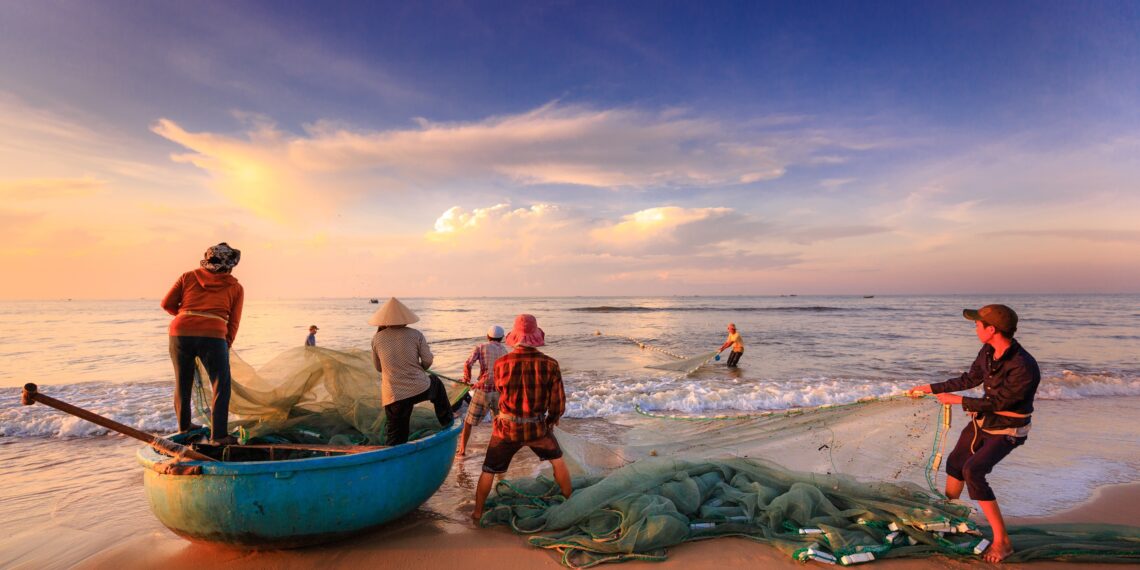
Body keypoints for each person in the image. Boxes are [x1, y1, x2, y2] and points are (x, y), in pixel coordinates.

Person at [908, 304, 1040, 563]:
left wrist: (957, 402)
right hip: (984, 421)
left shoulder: (1023, 366)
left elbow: (1001, 404)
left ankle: (1003, 541)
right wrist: (931, 388)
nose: (975, 327)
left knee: (974, 471)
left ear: (991, 329)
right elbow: (970, 379)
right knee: (956, 464)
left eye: (978, 324)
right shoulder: (988, 350)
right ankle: (949, 518)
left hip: (1009, 428)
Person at [472, 314, 571, 523]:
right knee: (558, 462)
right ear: (536, 337)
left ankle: (477, 513)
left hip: (506, 428)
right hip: (536, 427)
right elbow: (558, 403)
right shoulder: (550, 364)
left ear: (514, 337)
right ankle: (571, 505)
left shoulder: (501, 364)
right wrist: (551, 420)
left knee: (488, 470)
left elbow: (500, 392)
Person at [161, 242, 244, 445]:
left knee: (182, 382)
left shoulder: (187, 277)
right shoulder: (235, 287)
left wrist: (185, 316)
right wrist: (227, 343)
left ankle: (184, 427)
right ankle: (219, 435)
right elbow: (233, 321)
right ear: (230, 264)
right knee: (220, 384)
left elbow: (166, 304)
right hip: (213, 335)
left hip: (180, 332)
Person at [369, 297, 453, 446]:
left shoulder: (377, 339)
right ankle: (447, 422)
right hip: (419, 387)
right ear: (405, 319)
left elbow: (378, 368)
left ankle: (393, 461)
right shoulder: (415, 334)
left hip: (393, 394)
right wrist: (420, 367)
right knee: (436, 384)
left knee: (396, 437)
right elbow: (427, 361)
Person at [457, 325, 509, 456]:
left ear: (487, 336)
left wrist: (467, 379)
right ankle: (498, 449)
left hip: (483, 390)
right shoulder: (505, 351)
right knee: (497, 422)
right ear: (502, 338)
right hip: (498, 391)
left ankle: (462, 450)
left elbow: (468, 363)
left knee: (468, 421)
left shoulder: (481, 347)